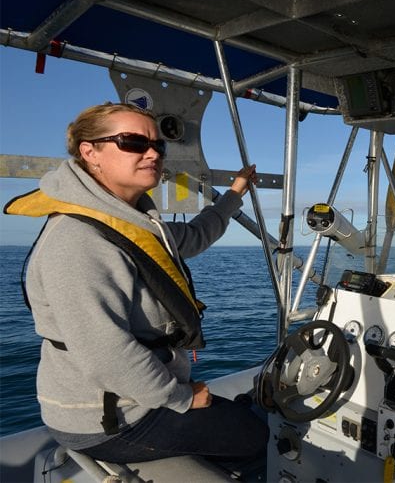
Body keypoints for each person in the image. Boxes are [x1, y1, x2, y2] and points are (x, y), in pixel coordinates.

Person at [3, 103, 268, 464]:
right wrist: (183, 398)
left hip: (136, 398)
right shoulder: (79, 241)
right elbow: (106, 355)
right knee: (255, 436)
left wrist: (235, 193)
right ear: (89, 152)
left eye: (159, 145)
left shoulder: (131, 223)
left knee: (242, 416)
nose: (152, 153)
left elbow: (194, 236)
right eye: (133, 142)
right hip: (109, 420)